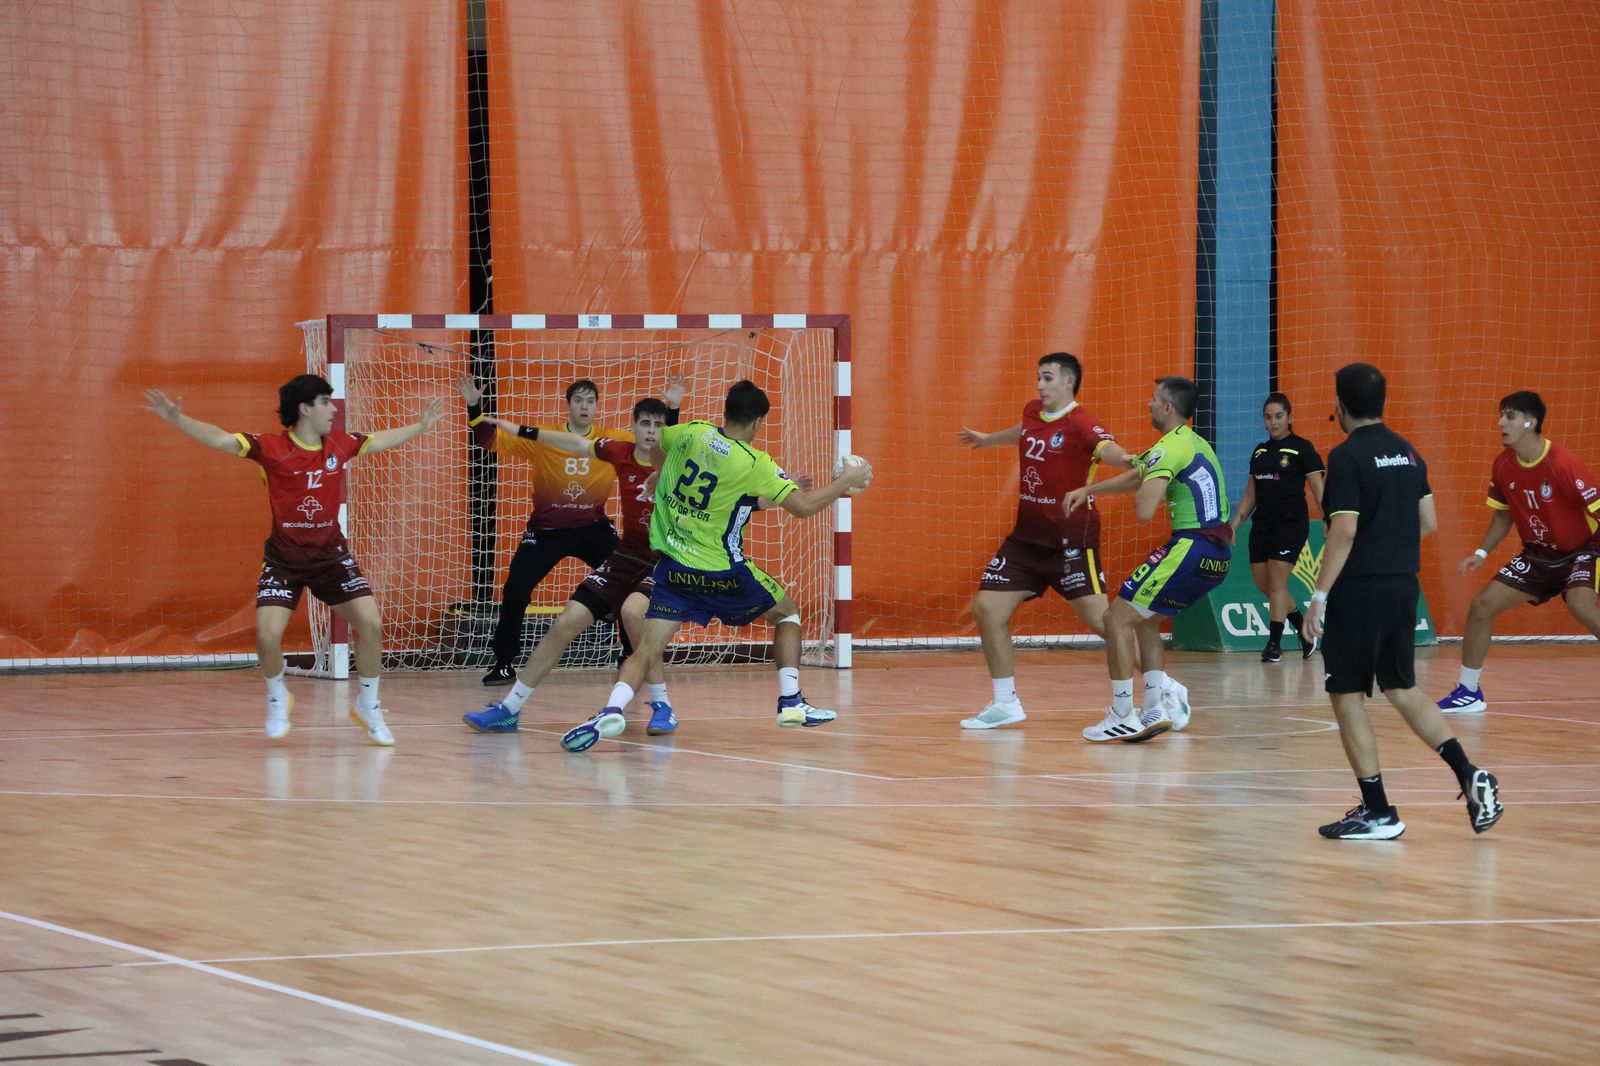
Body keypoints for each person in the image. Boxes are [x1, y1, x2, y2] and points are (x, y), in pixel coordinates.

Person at [558, 380, 872, 753]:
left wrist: (661, 472)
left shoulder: (693, 433)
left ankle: (611, 708)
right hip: (723, 573)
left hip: (673, 569)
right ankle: (791, 703)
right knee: (787, 614)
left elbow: (659, 446)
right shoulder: (755, 463)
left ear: (725, 411)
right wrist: (844, 482)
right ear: (757, 422)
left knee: (645, 650)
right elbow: (802, 507)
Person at [143, 375, 443, 745]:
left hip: (331, 558)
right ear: (305, 408)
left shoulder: (340, 444)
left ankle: (368, 705)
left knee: (372, 624)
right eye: (325, 402)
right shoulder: (270, 448)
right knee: (268, 634)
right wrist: (177, 419)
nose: (333, 409)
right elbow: (220, 439)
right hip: (284, 561)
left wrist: (421, 426)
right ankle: (277, 697)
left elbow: (378, 440)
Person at [1301, 362, 1502, 839]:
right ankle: (1468, 773)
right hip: (1402, 585)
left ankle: (1378, 812)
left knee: (1346, 695)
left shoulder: (1347, 456)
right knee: (1401, 688)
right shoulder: (1408, 453)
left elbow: (1344, 530)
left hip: (1360, 590)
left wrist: (1319, 597)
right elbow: (1427, 521)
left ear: (1340, 406)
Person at [462, 397, 680, 735]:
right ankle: (510, 708)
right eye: (646, 424)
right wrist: (522, 431)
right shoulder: (618, 451)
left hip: (665, 558)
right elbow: (575, 442)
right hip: (629, 553)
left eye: (659, 425)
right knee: (566, 621)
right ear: (633, 427)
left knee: (634, 617)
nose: (652, 431)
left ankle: (662, 705)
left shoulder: (678, 462)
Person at [956, 352, 1133, 729]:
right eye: (1039, 377)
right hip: (1027, 540)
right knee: (987, 608)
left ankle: (1158, 688)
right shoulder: (1033, 411)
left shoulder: (1081, 421)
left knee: (1107, 622)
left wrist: (1129, 459)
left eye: (1048, 378)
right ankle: (1006, 703)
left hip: (1070, 541)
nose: (1040, 384)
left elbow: (1107, 449)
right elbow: (1024, 430)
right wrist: (988, 440)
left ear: (1069, 381)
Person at [1065, 377, 1232, 742]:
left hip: (1190, 546)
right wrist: (1089, 490)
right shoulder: (1191, 442)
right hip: (1217, 555)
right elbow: (1137, 475)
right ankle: (1155, 709)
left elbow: (1144, 508)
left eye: (1153, 399)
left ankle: (1122, 713)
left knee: (1114, 620)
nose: (1148, 404)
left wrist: (1150, 477)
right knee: (1143, 622)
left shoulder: (1169, 448)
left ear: (1168, 407)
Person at [1437, 391, 1600, 714]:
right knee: (1481, 606)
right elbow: (1503, 514)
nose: (1501, 423)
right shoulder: (1503, 465)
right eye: (1501, 415)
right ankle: (1469, 692)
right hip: (1538, 555)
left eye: (1509, 416)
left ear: (1531, 422)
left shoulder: (1563, 464)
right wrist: (1481, 552)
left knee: (1582, 606)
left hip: (1582, 550)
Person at [1228, 392, 1326, 662]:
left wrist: (1329, 518)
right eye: (1268, 417)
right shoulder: (1259, 452)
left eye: (1279, 416)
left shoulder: (1302, 448)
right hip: (1263, 523)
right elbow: (1251, 494)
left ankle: (1274, 644)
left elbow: (1319, 489)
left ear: (1290, 417)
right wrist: (1236, 523)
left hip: (1291, 522)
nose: (1273, 422)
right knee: (1264, 583)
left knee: (1276, 581)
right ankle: (1305, 631)